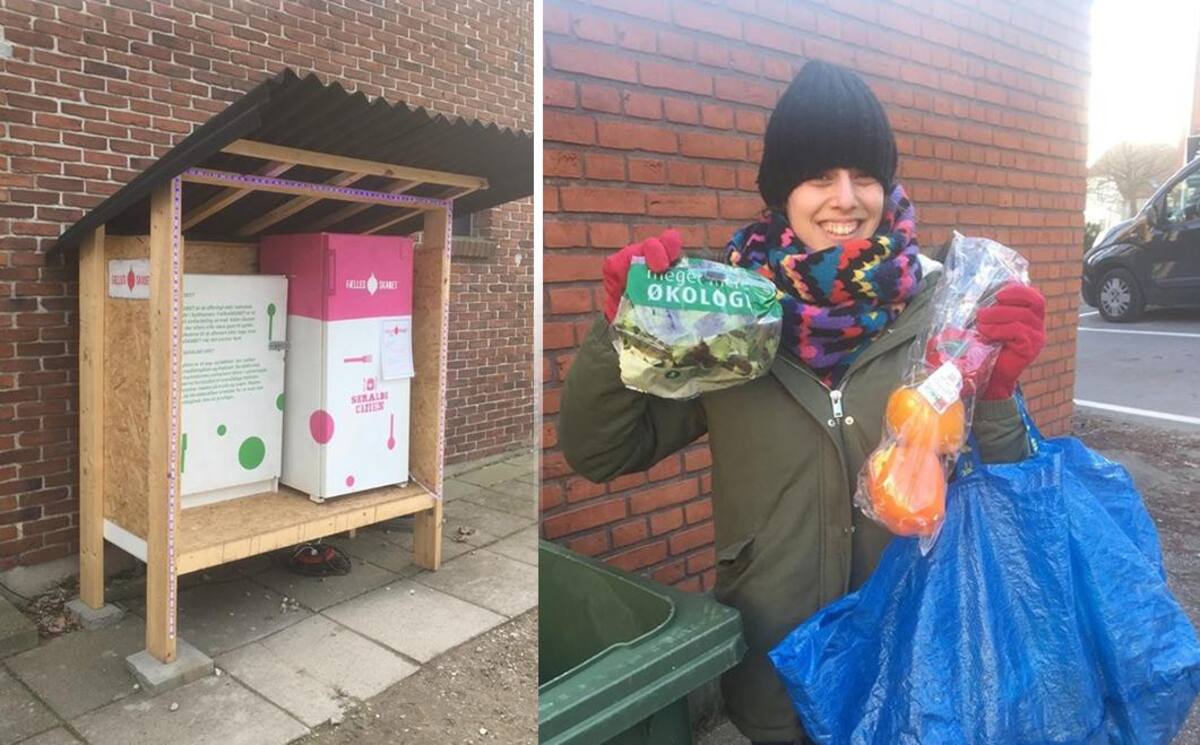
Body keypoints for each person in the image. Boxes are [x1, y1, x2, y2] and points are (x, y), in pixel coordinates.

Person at [558, 60, 1047, 744]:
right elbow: (602, 450)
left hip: (913, 670)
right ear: (781, 191)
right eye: (819, 176)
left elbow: (1013, 493)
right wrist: (620, 334)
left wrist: (996, 396)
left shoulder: (945, 307)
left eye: (865, 175)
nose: (845, 199)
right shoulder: (724, 318)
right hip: (777, 676)